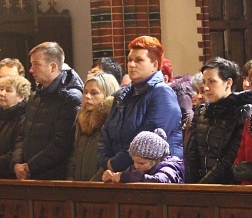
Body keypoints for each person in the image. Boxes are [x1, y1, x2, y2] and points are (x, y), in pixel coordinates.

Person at [98, 36, 183, 174]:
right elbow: (105, 134)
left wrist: (115, 164)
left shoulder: (162, 94)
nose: (131, 65)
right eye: (130, 60)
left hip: (155, 175)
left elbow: (149, 143)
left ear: (155, 65)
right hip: (121, 174)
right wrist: (106, 162)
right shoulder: (122, 95)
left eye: (139, 60)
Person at [12, 42, 83, 180]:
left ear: (53, 67)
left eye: (36, 64)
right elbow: (22, 135)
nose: (31, 70)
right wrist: (16, 163)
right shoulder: (35, 97)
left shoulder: (70, 98)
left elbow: (61, 143)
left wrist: (29, 167)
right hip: (28, 174)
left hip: (54, 177)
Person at [185, 57, 252, 184]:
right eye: (205, 82)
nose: (206, 87)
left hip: (227, 186)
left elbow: (230, 157)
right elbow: (191, 154)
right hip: (199, 188)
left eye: (212, 81)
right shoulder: (201, 111)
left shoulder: (243, 111)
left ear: (228, 82)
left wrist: (204, 185)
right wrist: (192, 186)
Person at [67, 72, 119, 181]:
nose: (87, 96)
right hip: (79, 185)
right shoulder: (82, 120)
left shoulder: (112, 120)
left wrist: (92, 185)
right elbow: (74, 156)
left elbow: (111, 158)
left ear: (108, 94)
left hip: (100, 187)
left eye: (94, 93)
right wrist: (71, 180)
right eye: (85, 92)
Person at [102, 128, 184, 183]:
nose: (136, 166)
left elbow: (161, 181)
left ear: (156, 160)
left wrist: (125, 177)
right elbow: (125, 176)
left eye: (141, 163)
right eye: (134, 161)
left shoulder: (169, 168)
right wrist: (112, 177)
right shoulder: (134, 168)